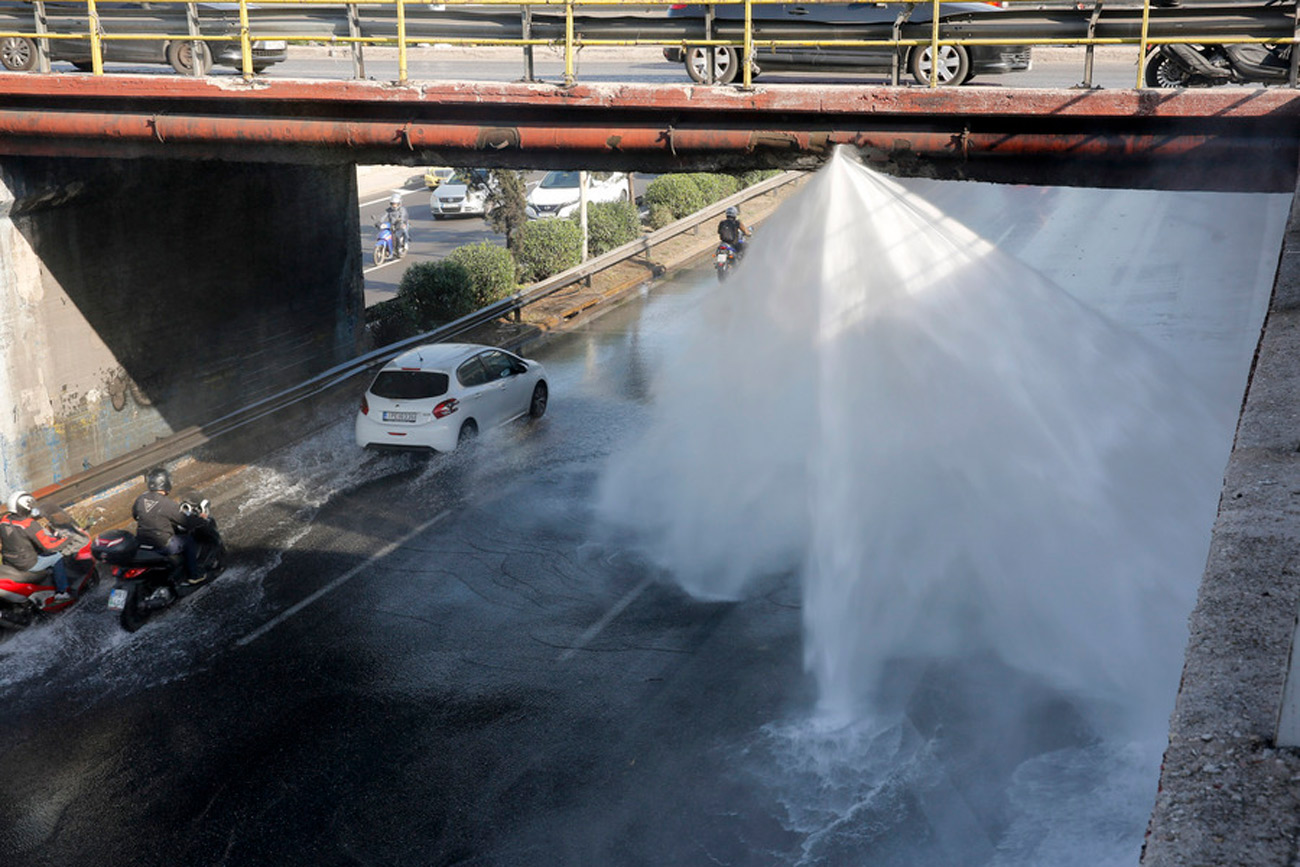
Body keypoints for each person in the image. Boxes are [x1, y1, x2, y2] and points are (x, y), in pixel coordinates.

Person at [132, 467, 204, 584]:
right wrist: (200, 519)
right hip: (162, 544)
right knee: (188, 541)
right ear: (165, 483)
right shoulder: (166, 503)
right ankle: (194, 575)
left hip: (142, 543)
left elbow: (135, 515)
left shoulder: (141, 499)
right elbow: (185, 521)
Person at [0, 490, 72, 601]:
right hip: (28, 564)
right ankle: (61, 592)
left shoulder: (4, 521)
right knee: (57, 556)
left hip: (9, 561)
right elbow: (49, 547)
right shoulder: (29, 524)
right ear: (25, 507)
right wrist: (67, 539)